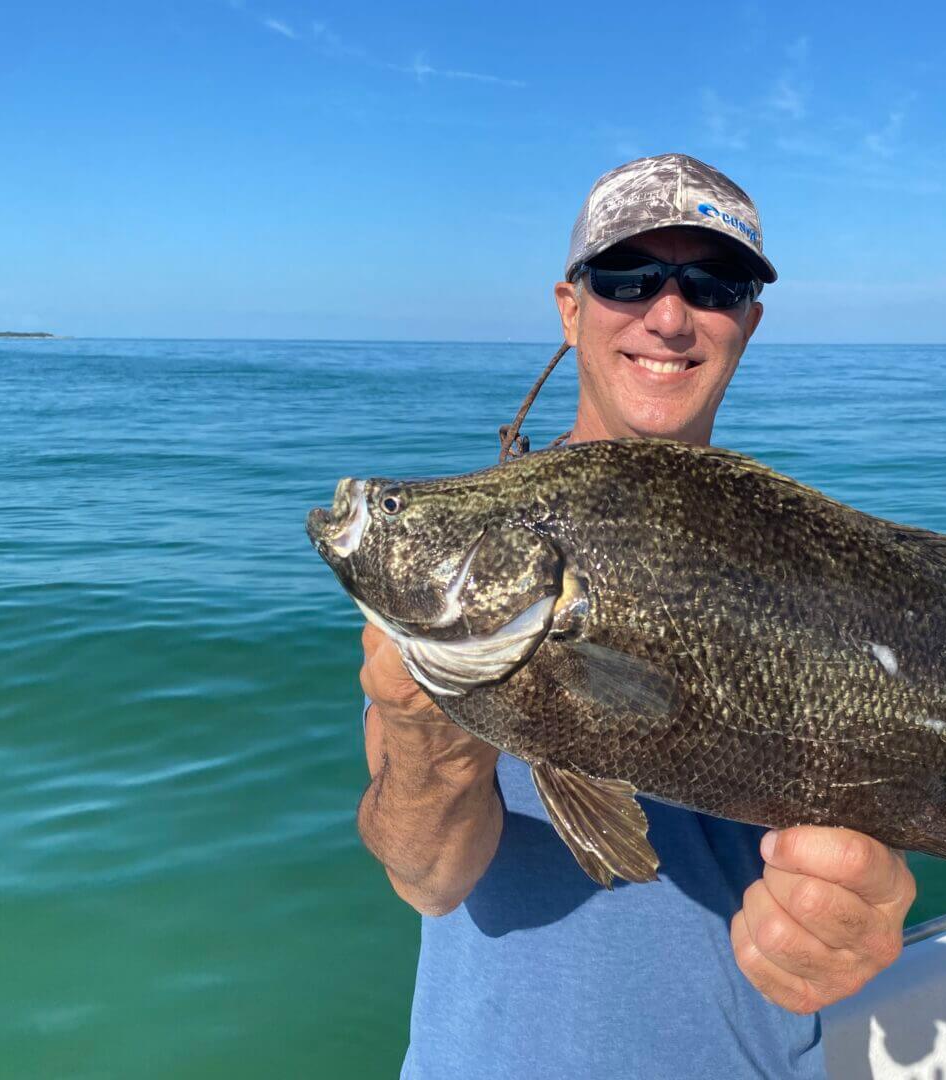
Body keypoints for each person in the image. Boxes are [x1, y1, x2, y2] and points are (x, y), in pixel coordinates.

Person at [357, 153, 917, 1079]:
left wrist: (861, 913)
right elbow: (426, 878)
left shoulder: (802, 561)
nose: (668, 314)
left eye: (714, 284)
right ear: (570, 306)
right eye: (626, 277)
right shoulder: (466, 549)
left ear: (749, 323)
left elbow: (865, 829)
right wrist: (427, 738)